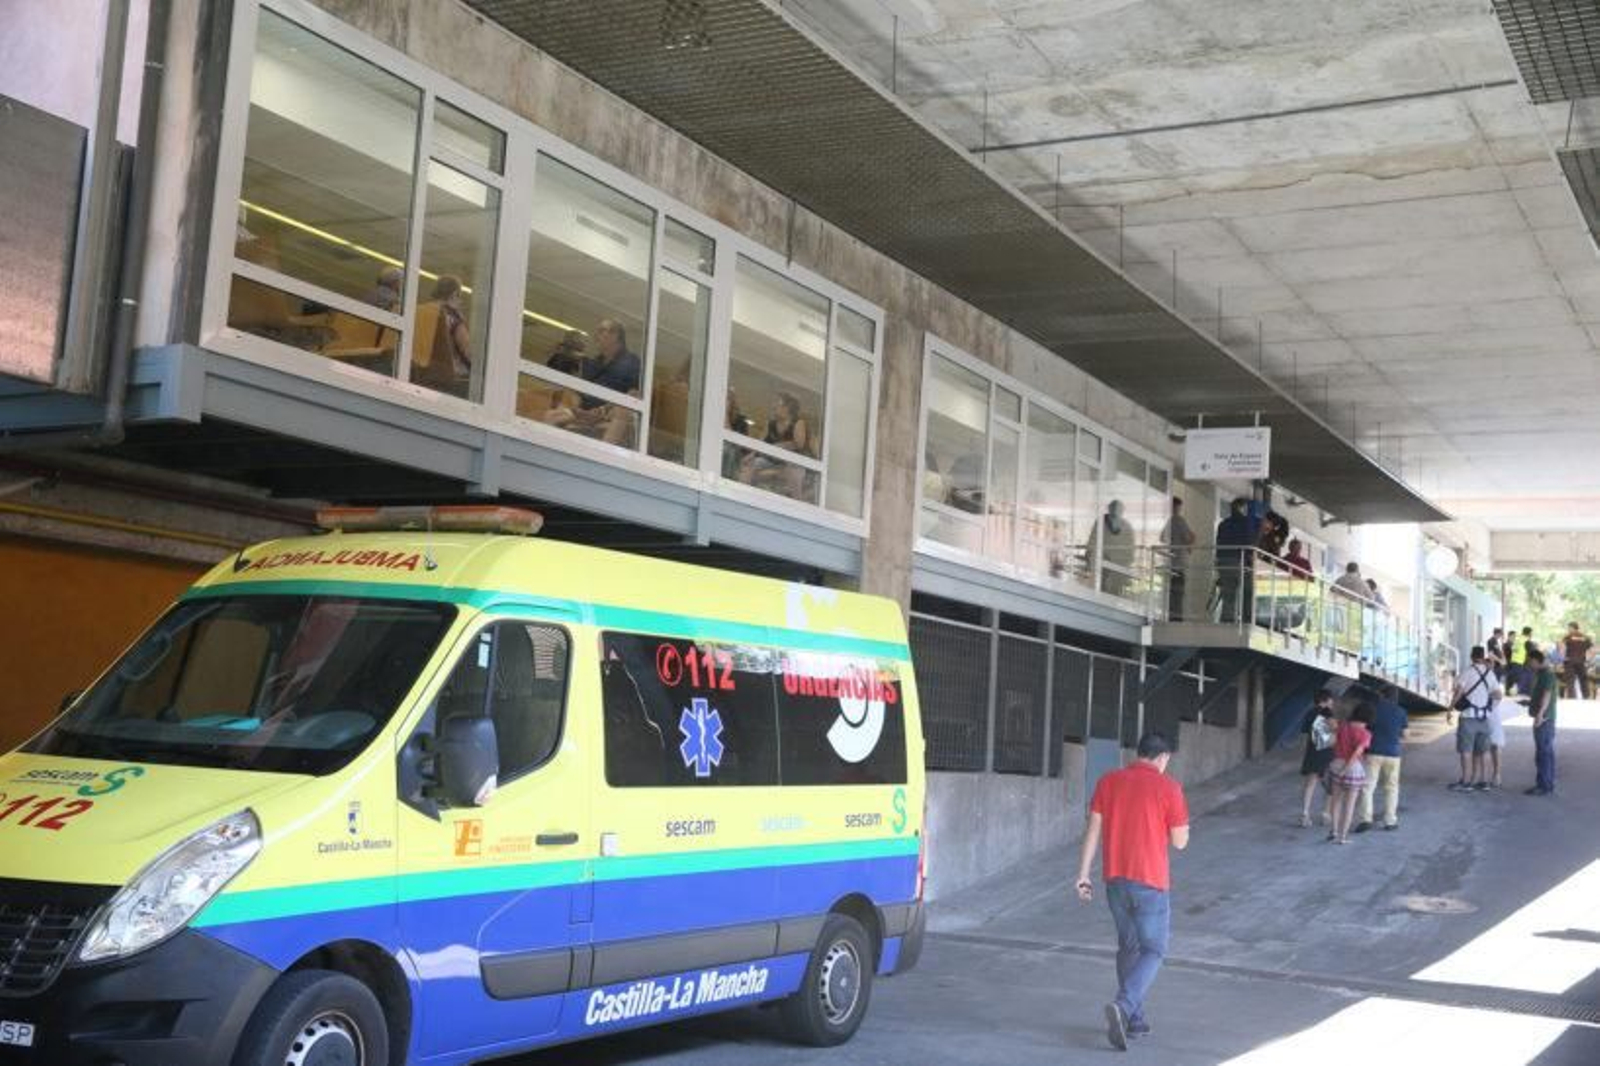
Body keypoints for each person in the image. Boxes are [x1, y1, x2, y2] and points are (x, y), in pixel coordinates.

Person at [1074, 732, 1190, 1051]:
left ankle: (1135, 1020)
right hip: (1150, 882)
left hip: (1115, 881)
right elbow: (1181, 842)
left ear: (1138, 754)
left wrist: (1083, 875)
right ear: (1163, 757)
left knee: (1129, 947)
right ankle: (1124, 1006)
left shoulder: (1108, 781)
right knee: (1154, 950)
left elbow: (1093, 832)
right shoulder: (1169, 788)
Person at [543, 319, 641, 445]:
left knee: (620, 412)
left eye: (601, 331)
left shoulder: (631, 361)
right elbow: (581, 392)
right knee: (551, 415)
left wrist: (602, 410)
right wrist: (576, 407)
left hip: (609, 414)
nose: (596, 336)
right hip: (584, 413)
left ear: (615, 335)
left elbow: (633, 394)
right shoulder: (593, 363)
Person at [738, 392, 812, 498]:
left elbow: (799, 444)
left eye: (778, 404)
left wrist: (781, 445)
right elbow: (761, 443)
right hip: (772, 459)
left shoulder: (798, 422)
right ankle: (743, 494)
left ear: (788, 408)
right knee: (750, 465)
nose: (774, 407)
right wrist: (751, 455)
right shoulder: (771, 423)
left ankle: (797, 503)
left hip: (792, 461)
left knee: (795, 474)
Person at [1449, 645, 1501, 792]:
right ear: (1483, 656)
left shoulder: (1467, 672)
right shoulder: (1490, 674)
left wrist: (1450, 708)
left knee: (1466, 751)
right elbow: (1498, 695)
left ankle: (1466, 783)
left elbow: (1458, 692)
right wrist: (1489, 707)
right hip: (1484, 718)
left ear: (1472, 656)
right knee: (1482, 751)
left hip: (1468, 717)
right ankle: (1483, 781)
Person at [1356, 685, 1407, 832]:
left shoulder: (1372, 709)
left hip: (1373, 752)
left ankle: (1366, 820)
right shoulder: (1401, 711)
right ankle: (1390, 821)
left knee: (1367, 787)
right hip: (1393, 754)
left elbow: (1363, 728)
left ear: (1382, 696)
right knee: (1391, 788)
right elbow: (1405, 734)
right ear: (1395, 697)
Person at [1327, 702, 1372, 845]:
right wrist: (1345, 770)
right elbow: (1357, 753)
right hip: (1352, 769)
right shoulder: (1365, 734)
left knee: (1336, 801)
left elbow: (1333, 742)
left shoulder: (1343, 726)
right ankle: (1342, 837)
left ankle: (1333, 831)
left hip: (1336, 764)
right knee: (1349, 805)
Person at [1297, 690, 1338, 828]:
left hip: (1312, 751)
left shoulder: (1309, 713)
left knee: (1310, 784)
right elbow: (1334, 728)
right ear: (1325, 700)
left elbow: (1305, 732)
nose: (1332, 702)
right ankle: (1325, 814)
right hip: (1326, 752)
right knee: (1331, 786)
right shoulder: (1326, 711)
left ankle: (1305, 814)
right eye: (1331, 699)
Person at [1214, 498, 1254, 623]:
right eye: (1245, 508)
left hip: (1223, 561)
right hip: (1238, 560)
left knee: (1228, 593)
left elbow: (1218, 543)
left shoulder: (1223, 524)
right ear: (1241, 508)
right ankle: (1245, 620)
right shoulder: (1245, 523)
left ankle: (1226, 619)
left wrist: (1218, 562)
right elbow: (1248, 542)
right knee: (1247, 590)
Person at [1526, 647, 1558, 796]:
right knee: (1546, 752)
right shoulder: (1542, 674)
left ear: (1535, 661)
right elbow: (1541, 695)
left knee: (1543, 753)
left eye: (1530, 662)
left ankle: (1543, 785)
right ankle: (1547, 784)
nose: (1528, 665)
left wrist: (1539, 715)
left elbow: (1547, 695)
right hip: (1544, 718)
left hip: (1544, 720)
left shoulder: (1547, 675)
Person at [1089, 500, 1136, 598]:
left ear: (1122, 511)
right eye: (1113, 507)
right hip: (1102, 560)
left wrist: (1128, 561)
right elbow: (1093, 539)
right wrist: (1090, 552)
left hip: (1118, 565)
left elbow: (1130, 547)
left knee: (1114, 591)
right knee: (1100, 587)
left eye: (1118, 509)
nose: (1115, 510)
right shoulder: (1101, 522)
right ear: (1109, 508)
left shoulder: (1127, 526)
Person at [1160, 496, 1195, 620]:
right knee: (1178, 591)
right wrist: (1190, 544)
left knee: (1172, 591)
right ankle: (1176, 617)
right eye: (1178, 507)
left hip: (1171, 562)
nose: (1179, 509)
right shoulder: (1179, 520)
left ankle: (1172, 615)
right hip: (1178, 562)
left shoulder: (1170, 521)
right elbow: (1188, 538)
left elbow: (1162, 537)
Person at [1561, 622, 1592, 699]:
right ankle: (1586, 696)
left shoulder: (1567, 637)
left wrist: (1563, 657)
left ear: (1573, 628)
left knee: (1570, 680)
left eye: (1569, 628)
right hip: (1581, 661)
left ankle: (1572, 697)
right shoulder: (1585, 637)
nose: (1568, 630)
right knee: (1583, 679)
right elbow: (1590, 649)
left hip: (1570, 661)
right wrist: (1588, 659)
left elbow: (1562, 647)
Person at [1508, 626, 1531, 695]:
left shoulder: (1517, 639)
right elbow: (1529, 652)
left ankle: (1510, 692)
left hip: (1513, 661)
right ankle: (1514, 693)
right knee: (1518, 679)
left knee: (1513, 678)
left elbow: (1513, 649)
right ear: (1529, 633)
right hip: (1520, 661)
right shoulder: (1526, 640)